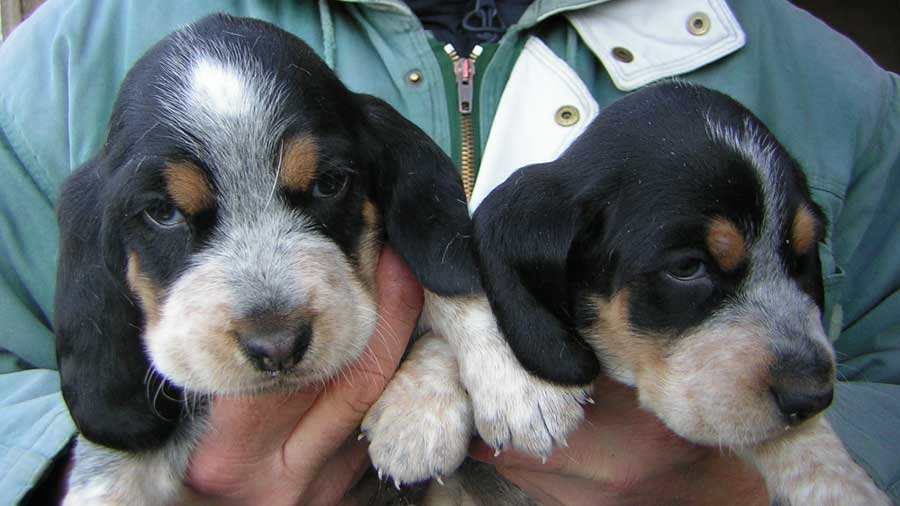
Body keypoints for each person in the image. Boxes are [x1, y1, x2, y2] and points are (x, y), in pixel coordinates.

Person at [1, 0, 898, 504]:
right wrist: (142, 469)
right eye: (167, 213)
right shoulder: (58, 68)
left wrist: (748, 483)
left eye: (326, 187)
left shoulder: (842, 91)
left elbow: (884, 376)